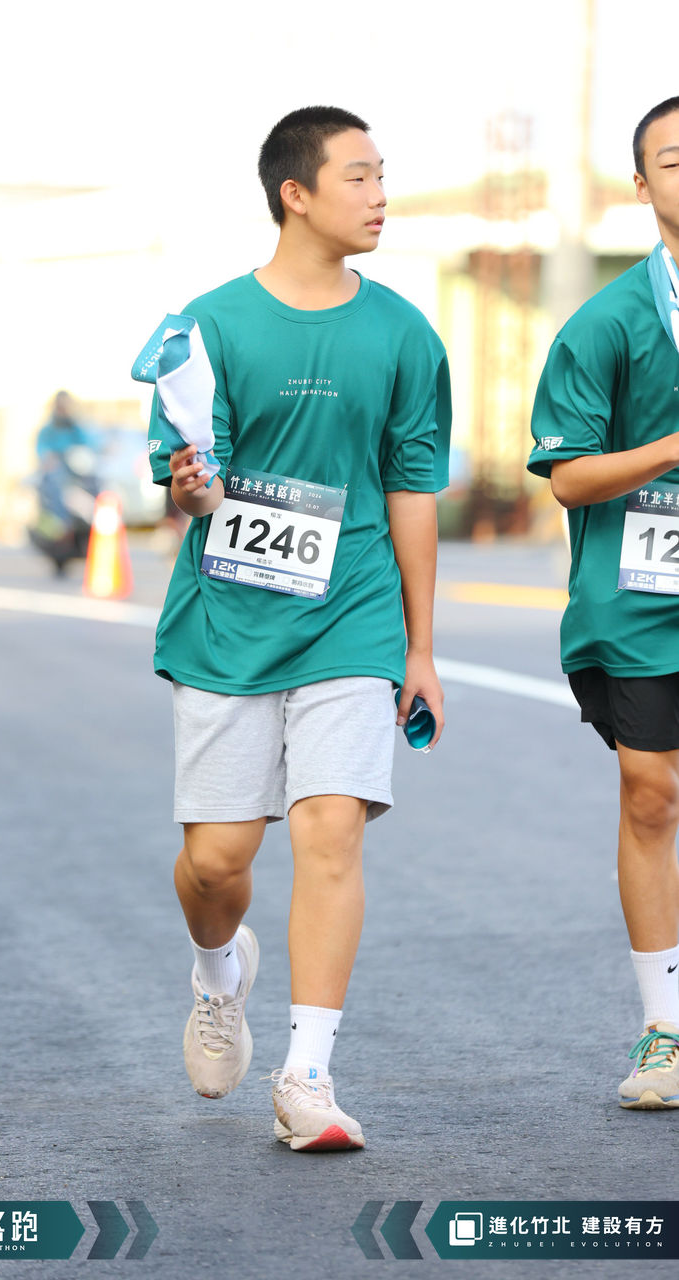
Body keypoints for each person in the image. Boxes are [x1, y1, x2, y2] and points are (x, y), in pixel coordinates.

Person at [143, 106, 451, 1150]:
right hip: (229, 623)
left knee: (330, 829)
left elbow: (411, 489)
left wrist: (417, 647)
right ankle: (217, 970)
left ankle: (306, 1075)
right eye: (358, 176)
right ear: (296, 193)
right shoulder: (210, 327)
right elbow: (187, 484)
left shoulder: (403, 332)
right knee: (215, 862)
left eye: (381, 175)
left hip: (350, 615)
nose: (379, 195)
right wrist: (192, 489)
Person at [527, 96, 679, 1110]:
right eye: (673, 159)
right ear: (640, 184)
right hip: (638, 596)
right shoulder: (607, 323)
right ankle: (664, 1030)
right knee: (650, 794)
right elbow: (569, 477)